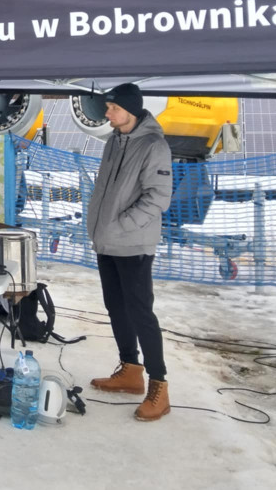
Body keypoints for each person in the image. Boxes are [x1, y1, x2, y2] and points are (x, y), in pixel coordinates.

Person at [85, 83, 174, 422]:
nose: (106, 113)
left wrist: (122, 224)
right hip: (107, 241)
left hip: (133, 244)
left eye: (112, 108)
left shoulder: (154, 145)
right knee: (116, 307)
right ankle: (131, 371)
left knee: (141, 314)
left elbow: (158, 197)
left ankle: (159, 385)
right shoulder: (114, 141)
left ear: (129, 110)